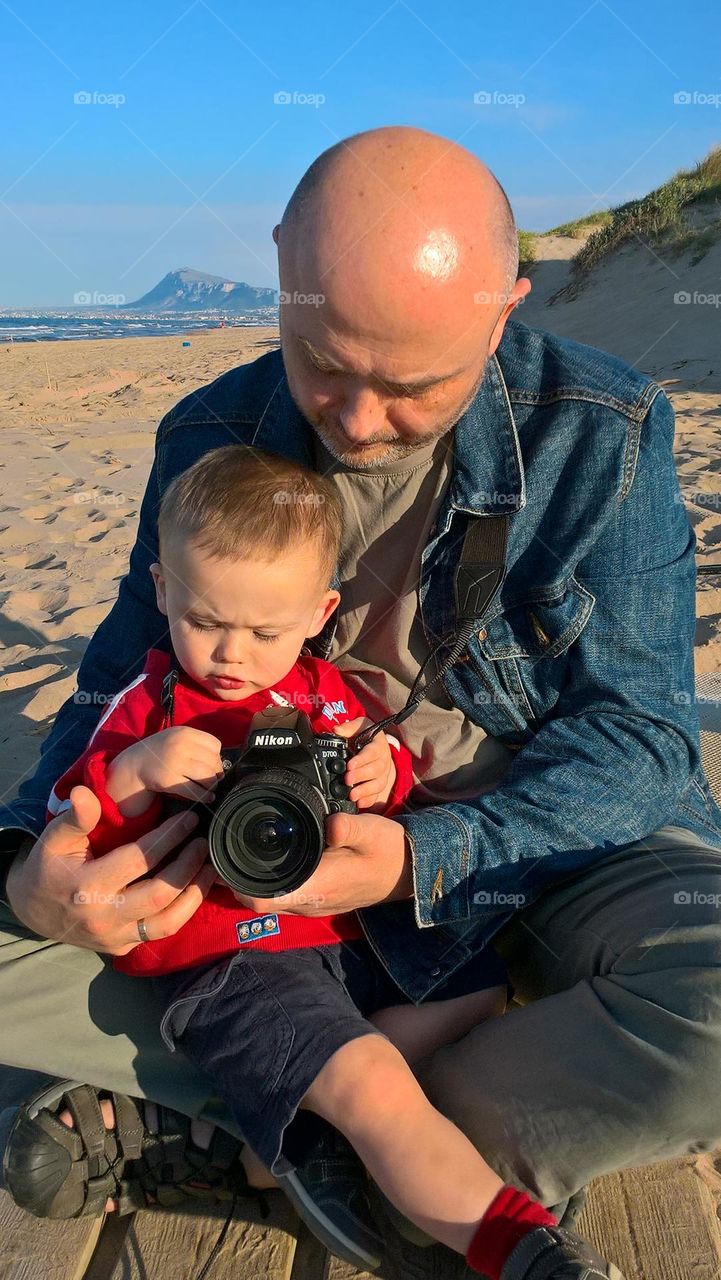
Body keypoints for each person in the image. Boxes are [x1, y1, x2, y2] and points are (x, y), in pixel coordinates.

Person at [2, 125, 721, 1280]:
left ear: (502, 309)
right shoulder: (208, 437)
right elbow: (113, 687)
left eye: (413, 385)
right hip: (254, 890)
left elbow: (638, 738)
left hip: (547, 847)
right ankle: (402, 1132)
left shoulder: (605, 432)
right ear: (284, 262)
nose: (359, 416)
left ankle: (263, 1127)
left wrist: (416, 854)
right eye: (321, 359)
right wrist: (34, 874)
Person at [29, 444, 597, 1278]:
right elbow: (65, 818)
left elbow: (378, 763)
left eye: (264, 631)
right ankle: (525, 1252)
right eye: (205, 623)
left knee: (480, 986)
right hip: (236, 955)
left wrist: (382, 772)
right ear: (162, 593)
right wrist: (132, 773)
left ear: (318, 611)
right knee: (375, 1087)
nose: (230, 654)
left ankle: (283, 1133)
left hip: (341, 934)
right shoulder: (146, 705)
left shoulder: (316, 692)